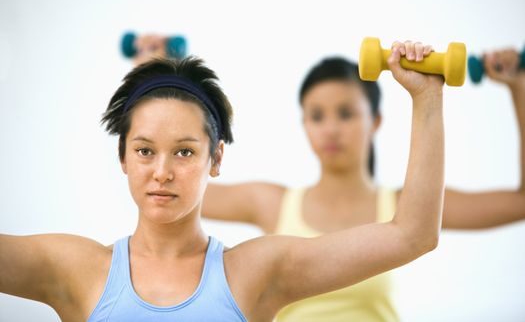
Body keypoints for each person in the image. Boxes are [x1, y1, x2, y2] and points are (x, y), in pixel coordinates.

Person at [1, 42, 445, 321]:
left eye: (184, 151)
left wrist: (426, 98)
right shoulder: (74, 270)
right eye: (144, 150)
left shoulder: (256, 272)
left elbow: (412, 235)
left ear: (216, 159)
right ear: (122, 158)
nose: (162, 170)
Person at [200, 45, 525, 321]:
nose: (330, 129)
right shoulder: (271, 203)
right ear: (303, 125)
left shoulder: (412, 208)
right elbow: (163, 187)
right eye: (317, 116)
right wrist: (148, 74)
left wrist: (519, 85)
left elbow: (520, 202)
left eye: (345, 113)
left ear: (376, 120)